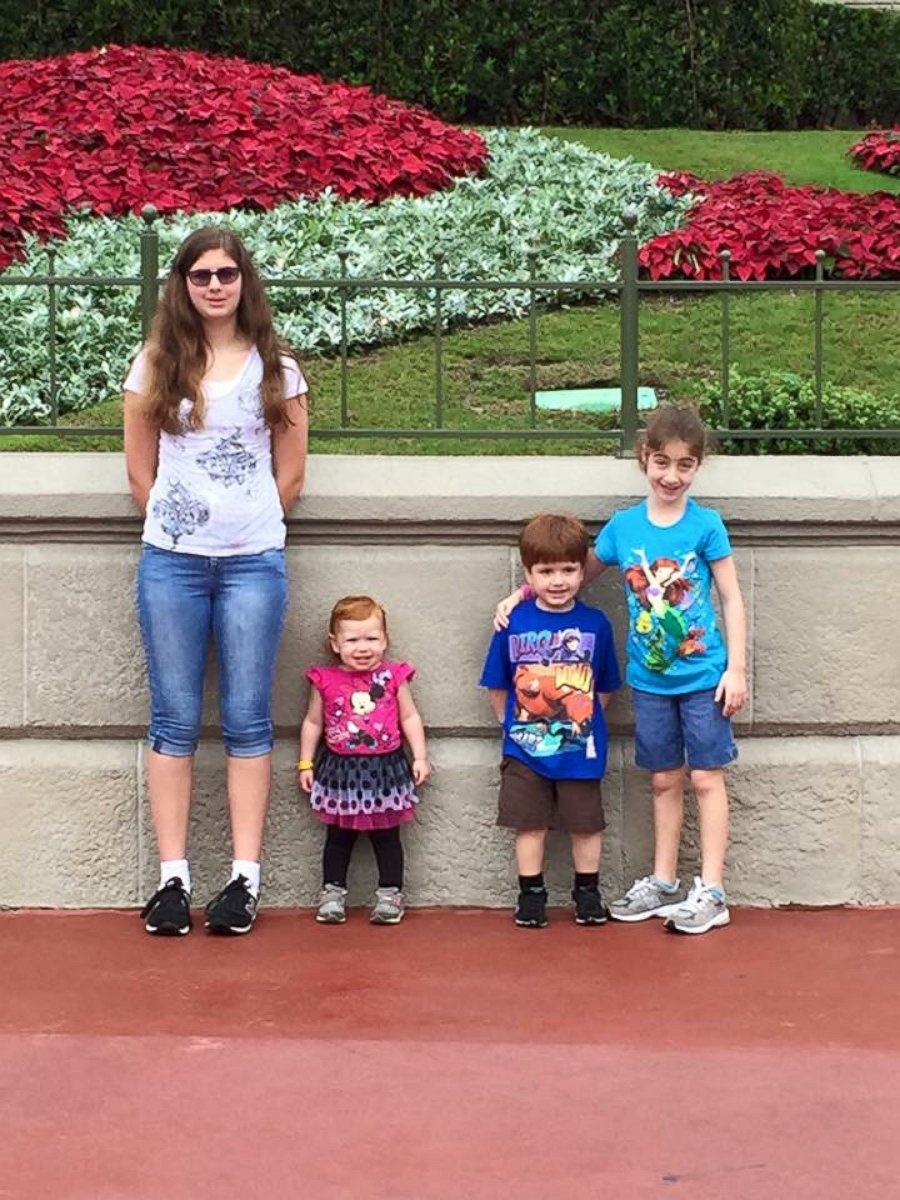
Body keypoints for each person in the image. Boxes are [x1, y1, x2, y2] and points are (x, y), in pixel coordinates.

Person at [494, 407, 747, 935]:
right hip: (650, 681)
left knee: (705, 777)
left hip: (703, 677)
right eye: (662, 462)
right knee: (662, 780)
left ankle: (713, 890)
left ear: (698, 466)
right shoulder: (623, 527)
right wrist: (518, 596)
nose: (672, 475)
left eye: (685, 464)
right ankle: (663, 881)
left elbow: (730, 596)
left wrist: (737, 669)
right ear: (643, 459)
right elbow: (571, 577)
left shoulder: (706, 525)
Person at [124, 225, 309, 936]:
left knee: (246, 719)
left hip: (252, 562)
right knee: (172, 717)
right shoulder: (156, 363)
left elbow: (290, 468)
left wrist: (248, 519)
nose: (213, 286)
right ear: (183, 284)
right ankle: (173, 880)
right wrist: (180, 523)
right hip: (171, 560)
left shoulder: (277, 368)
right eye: (200, 274)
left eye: (226, 273)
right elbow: (140, 469)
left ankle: (244, 879)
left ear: (244, 282)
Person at [481, 513, 621, 929]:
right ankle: (531, 894)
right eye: (546, 571)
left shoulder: (596, 623)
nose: (557, 580)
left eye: (568, 569)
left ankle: (587, 891)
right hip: (525, 749)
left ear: (583, 570)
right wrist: (513, 730)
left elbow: (606, 685)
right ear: (528, 573)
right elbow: (497, 685)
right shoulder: (513, 623)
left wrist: (584, 722)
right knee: (529, 824)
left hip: (580, 749)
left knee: (585, 824)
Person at [298, 595, 430, 925]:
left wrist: (421, 756)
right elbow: (313, 722)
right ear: (335, 643)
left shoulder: (394, 676)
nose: (363, 647)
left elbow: (410, 717)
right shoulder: (324, 680)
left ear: (385, 639)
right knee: (338, 837)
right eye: (352, 639)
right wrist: (305, 762)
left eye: (372, 638)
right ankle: (332, 892)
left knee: (387, 837)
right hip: (340, 770)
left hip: (385, 768)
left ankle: (390, 894)